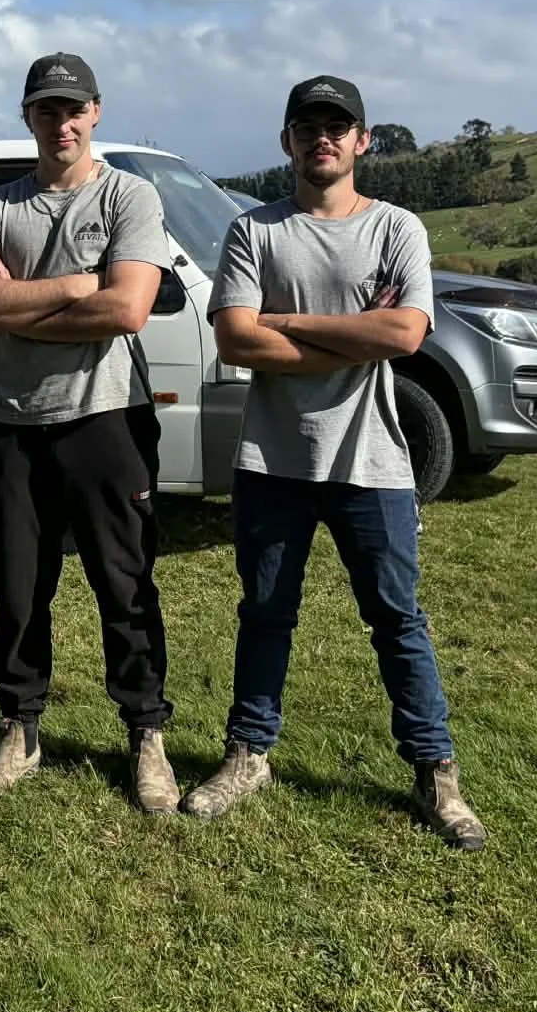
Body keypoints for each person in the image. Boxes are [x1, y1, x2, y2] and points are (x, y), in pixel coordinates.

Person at [181, 74, 487, 850]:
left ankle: (435, 774)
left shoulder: (397, 229)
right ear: (288, 140)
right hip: (272, 460)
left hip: (374, 462)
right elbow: (236, 341)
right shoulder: (255, 231)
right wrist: (354, 326)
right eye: (308, 125)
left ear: (362, 140)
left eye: (337, 126)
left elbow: (405, 336)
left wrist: (287, 321)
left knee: (396, 620)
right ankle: (248, 756)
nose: (323, 137)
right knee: (265, 615)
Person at [0, 53, 179, 814]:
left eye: (74, 109)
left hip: (106, 416)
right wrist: (78, 285)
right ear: (28, 117)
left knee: (125, 581)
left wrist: (17, 298)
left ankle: (146, 733)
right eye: (47, 110)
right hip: (13, 423)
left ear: (97, 111)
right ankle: (20, 728)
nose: (62, 123)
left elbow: (126, 311)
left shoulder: (128, 197)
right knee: (19, 588)